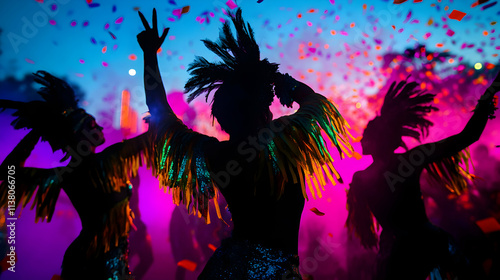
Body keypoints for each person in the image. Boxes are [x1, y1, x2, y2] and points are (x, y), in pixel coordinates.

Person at [136, 8, 353, 279]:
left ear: (224, 119)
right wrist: (280, 80)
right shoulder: (286, 138)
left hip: (228, 270)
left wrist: (148, 55)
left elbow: (160, 113)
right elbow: (316, 104)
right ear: (265, 112)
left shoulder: (218, 154)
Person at [346, 74, 499, 280]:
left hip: (402, 255)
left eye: (366, 134)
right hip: (426, 247)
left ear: (378, 140)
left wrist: (490, 94)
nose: (361, 138)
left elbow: (466, 137)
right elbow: (466, 136)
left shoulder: (367, 177)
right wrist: (489, 94)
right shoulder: (406, 162)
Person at [0, 71, 152, 280]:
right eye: (92, 125)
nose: (99, 126)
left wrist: (37, 129)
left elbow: (7, 171)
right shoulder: (104, 159)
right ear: (79, 135)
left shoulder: (65, 174)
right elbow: (7, 173)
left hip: (106, 260)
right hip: (95, 264)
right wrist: (38, 129)